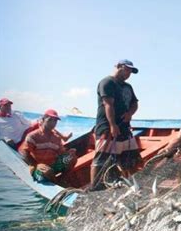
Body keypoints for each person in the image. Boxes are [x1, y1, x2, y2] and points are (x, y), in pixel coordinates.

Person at [89, 59, 141, 190]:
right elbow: (108, 104)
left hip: (125, 128)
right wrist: (112, 125)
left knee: (132, 159)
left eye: (131, 71)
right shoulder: (107, 82)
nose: (129, 73)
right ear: (118, 66)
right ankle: (95, 189)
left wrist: (129, 113)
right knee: (101, 159)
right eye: (127, 69)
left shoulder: (128, 87)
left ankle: (132, 187)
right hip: (107, 128)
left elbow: (135, 103)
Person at [19, 109, 77, 182]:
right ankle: (52, 181)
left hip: (52, 166)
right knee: (46, 173)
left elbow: (61, 153)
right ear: (43, 119)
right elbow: (24, 152)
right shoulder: (33, 136)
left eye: (55, 121)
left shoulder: (56, 138)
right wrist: (36, 164)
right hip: (38, 168)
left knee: (72, 158)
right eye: (50, 120)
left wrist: (69, 152)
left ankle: (60, 180)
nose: (53, 123)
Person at [0, 98, 71, 150]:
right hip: (16, 142)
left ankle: (62, 138)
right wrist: (5, 139)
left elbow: (28, 123)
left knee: (43, 122)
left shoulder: (15, 114)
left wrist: (38, 120)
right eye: (6, 105)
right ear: (0, 107)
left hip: (25, 133)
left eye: (9, 105)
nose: (9, 107)